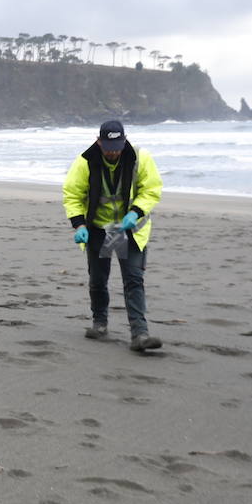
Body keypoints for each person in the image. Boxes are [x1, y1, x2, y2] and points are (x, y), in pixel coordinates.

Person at [62, 121, 163, 351]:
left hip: (130, 229)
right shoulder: (85, 161)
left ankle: (140, 334)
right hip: (98, 229)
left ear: (125, 139)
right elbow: (72, 194)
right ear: (99, 142)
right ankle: (100, 324)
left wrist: (135, 212)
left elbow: (151, 189)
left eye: (117, 146)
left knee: (134, 280)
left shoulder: (140, 158)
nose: (113, 152)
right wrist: (79, 226)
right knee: (98, 280)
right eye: (108, 146)